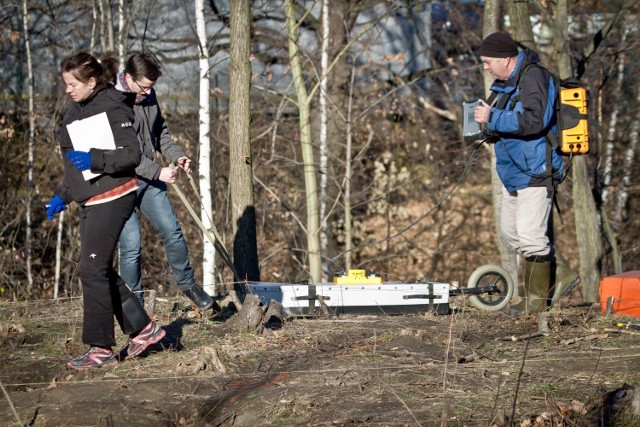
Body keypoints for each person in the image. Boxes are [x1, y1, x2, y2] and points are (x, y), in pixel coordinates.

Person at [45, 51, 165, 370]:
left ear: (92, 81)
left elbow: (131, 155)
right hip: (90, 198)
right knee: (100, 271)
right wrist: (62, 195)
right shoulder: (74, 113)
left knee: (91, 269)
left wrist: (97, 159)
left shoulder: (112, 105)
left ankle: (100, 350)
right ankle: (144, 330)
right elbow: (75, 165)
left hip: (114, 195)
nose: (68, 89)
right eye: (66, 83)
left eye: (73, 83)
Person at [114, 52, 213, 311]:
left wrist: (177, 155)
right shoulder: (112, 103)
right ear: (127, 78)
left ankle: (189, 285)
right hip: (120, 183)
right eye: (144, 87)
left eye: (151, 87)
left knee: (172, 230)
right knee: (131, 244)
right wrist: (158, 172)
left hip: (149, 181)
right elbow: (124, 154)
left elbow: (160, 133)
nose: (148, 93)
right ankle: (133, 305)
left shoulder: (148, 96)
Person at [473, 32, 563, 313]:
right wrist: (488, 130)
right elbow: (510, 121)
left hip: (536, 169)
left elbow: (535, 120)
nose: (485, 67)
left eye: (488, 62)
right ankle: (563, 279)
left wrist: (493, 118)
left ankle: (535, 308)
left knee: (530, 235)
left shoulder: (535, 77)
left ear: (506, 59)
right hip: (512, 172)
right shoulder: (502, 84)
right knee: (511, 233)